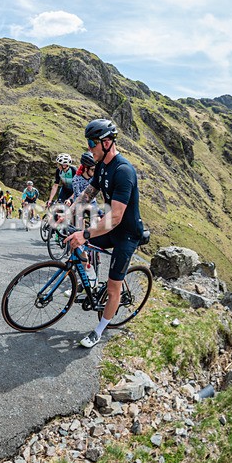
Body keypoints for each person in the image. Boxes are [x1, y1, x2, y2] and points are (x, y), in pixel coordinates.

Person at [65, 119, 145, 348]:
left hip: (126, 234)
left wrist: (87, 234)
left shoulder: (123, 171)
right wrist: (67, 211)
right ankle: (89, 281)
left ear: (107, 142)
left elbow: (117, 216)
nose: (89, 148)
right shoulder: (101, 166)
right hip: (110, 226)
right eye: (88, 143)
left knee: (112, 288)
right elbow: (88, 194)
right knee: (75, 243)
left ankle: (99, 330)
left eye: (92, 143)